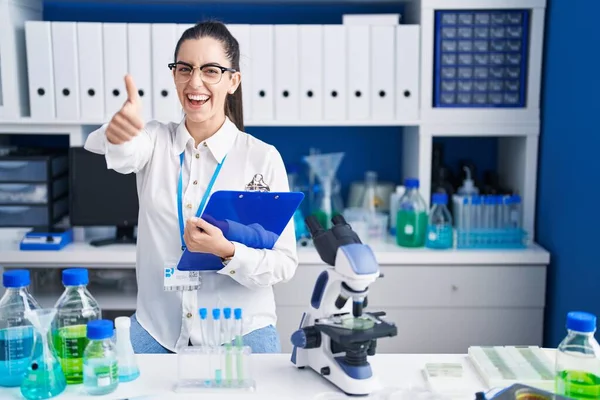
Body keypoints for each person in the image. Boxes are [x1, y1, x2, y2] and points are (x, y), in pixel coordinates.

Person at [84, 21, 298, 354]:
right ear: (174, 75)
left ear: (233, 81)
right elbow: (125, 152)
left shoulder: (262, 158)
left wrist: (227, 251)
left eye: (211, 70)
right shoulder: (154, 140)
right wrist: (119, 132)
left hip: (241, 330)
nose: (194, 82)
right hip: (158, 330)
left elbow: (283, 263)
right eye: (185, 69)